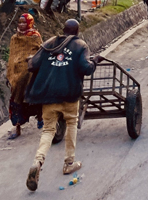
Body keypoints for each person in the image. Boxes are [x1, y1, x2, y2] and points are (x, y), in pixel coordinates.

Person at [25, 19, 97, 191]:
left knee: (48, 130)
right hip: (70, 95)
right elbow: (86, 68)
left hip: (48, 95)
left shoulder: (49, 43)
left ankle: (38, 161)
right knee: (72, 123)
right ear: (77, 31)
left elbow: (32, 64)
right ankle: (69, 163)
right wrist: (95, 62)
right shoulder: (80, 45)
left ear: (63, 30)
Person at [6, 14, 43, 139]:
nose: (21, 25)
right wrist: (10, 72)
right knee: (15, 99)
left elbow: (40, 52)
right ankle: (17, 127)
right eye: (19, 22)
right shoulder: (14, 38)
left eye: (24, 22)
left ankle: (41, 117)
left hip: (30, 71)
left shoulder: (35, 36)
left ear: (30, 23)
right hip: (15, 73)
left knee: (34, 94)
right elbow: (12, 56)